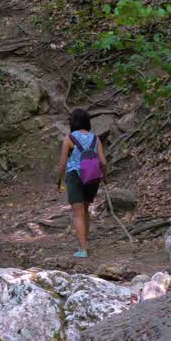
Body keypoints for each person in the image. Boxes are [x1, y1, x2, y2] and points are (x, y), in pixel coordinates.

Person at [55, 108, 108, 258]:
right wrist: (105, 177)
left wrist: (58, 180)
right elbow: (103, 162)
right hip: (92, 177)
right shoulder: (95, 139)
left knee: (78, 214)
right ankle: (85, 241)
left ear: (73, 122)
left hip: (75, 177)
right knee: (85, 210)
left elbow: (62, 164)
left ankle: (83, 249)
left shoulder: (69, 139)